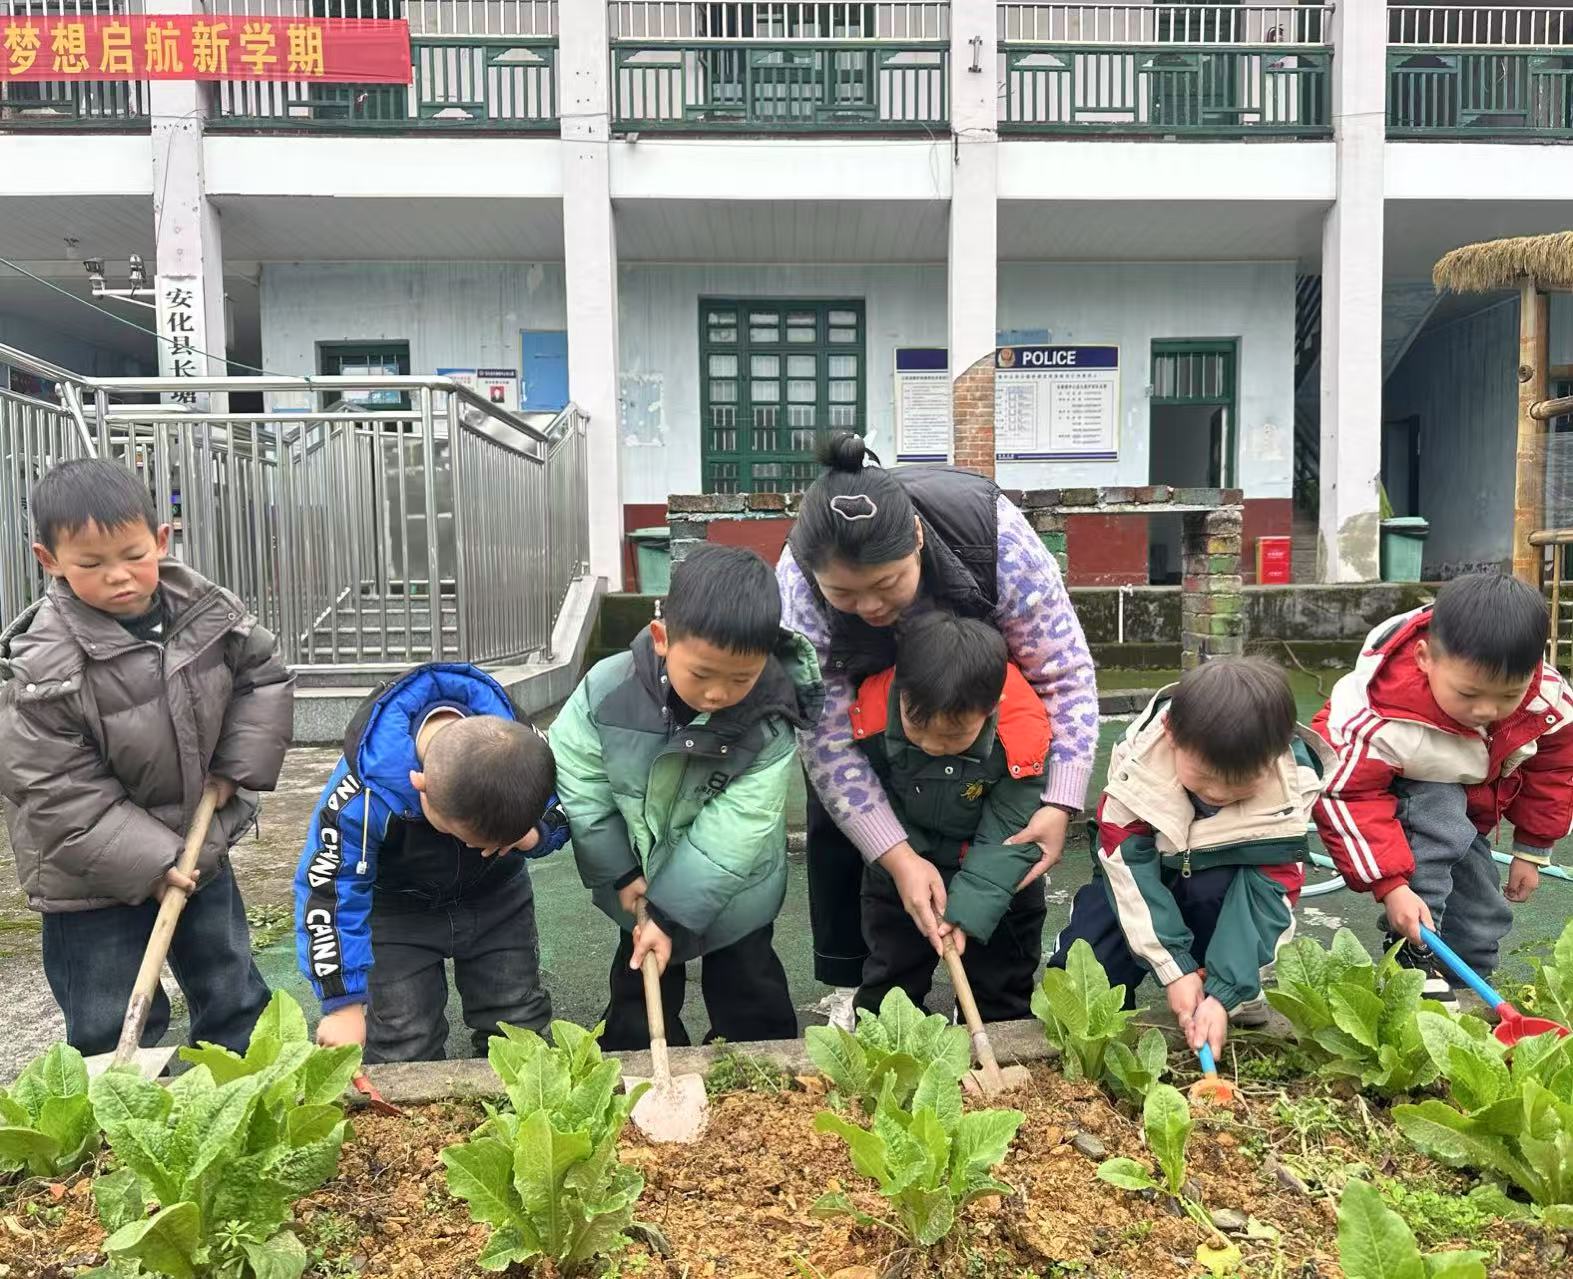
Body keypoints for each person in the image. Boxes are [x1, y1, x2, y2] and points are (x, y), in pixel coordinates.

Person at [777, 434, 1098, 1024]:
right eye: (843, 593)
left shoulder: (996, 538)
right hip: (874, 722)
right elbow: (825, 737)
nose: (870, 608)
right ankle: (866, 991)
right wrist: (897, 856)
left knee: (997, 851)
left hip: (979, 702)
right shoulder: (798, 580)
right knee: (866, 865)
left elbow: (1064, 674)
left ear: (918, 540)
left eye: (887, 584)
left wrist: (1059, 800)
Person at [0, 458, 292, 1055]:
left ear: (160, 539)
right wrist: (155, 863)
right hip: (89, 879)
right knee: (110, 1022)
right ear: (48, 559)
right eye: (90, 564)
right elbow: (54, 791)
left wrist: (236, 765)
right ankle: (126, 1107)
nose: (118, 576)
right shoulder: (41, 666)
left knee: (232, 993)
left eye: (133, 555)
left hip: (198, 844)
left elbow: (261, 677)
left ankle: (247, 1091)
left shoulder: (207, 612)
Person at [552, 543, 823, 1049]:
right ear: (662, 639)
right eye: (701, 674)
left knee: (749, 990)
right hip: (638, 875)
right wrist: (618, 871)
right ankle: (634, 1060)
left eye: (741, 678)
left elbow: (736, 832)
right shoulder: (605, 689)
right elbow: (582, 783)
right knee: (638, 986)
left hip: (737, 889)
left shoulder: (770, 721)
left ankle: (761, 1064)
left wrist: (670, 912)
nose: (718, 694)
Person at [1050, 658, 1331, 1056]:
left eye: (1241, 787)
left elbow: (1267, 900)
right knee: (1086, 974)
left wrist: (1224, 991)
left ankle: (1229, 994)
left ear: (1276, 756)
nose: (1217, 794)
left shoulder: (1291, 787)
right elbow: (1126, 868)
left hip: (1217, 885)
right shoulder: (1137, 763)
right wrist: (1173, 968)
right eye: (1204, 778)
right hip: (1139, 879)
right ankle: (1108, 1019)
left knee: (1221, 911)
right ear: (1171, 734)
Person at [1313, 572, 1573, 1001]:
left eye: (1508, 696)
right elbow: (1345, 792)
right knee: (1438, 813)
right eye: (1468, 694)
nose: (1487, 710)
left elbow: (1554, 770)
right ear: (1424, 659)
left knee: (1482, 908)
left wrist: (1533, 848)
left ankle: (1469, 974)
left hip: (1467, 800)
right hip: (1395, 794)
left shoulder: (1545, 699)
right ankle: (1413, 955)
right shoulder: (1376, 713)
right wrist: (1391, 886)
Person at [294, 664, 569, 1061]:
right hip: (396, 912)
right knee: (404, 1036)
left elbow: (567, 799)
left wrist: (536, 833)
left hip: (497, 899)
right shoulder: (363, 792)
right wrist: (343, 1002)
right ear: (420, 788)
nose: (475, 847)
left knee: (517, 1021)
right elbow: (330, 890)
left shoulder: (522, 745)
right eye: (467, 837)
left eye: (493, 843)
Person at [849, 612, 1049, 1020]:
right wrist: (908, 863)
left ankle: (1001, 1032)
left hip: (994, 870)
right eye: (917, 727)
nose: (931, 745)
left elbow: (1011, 829)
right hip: (904, 863)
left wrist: (969, 912)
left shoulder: (1020, 738)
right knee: (892, 977)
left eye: (953, 735)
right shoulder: (870, 718)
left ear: (990, 710)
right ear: (901, 693)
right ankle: (888, 1039)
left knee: (1003, 978)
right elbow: (871, 799)